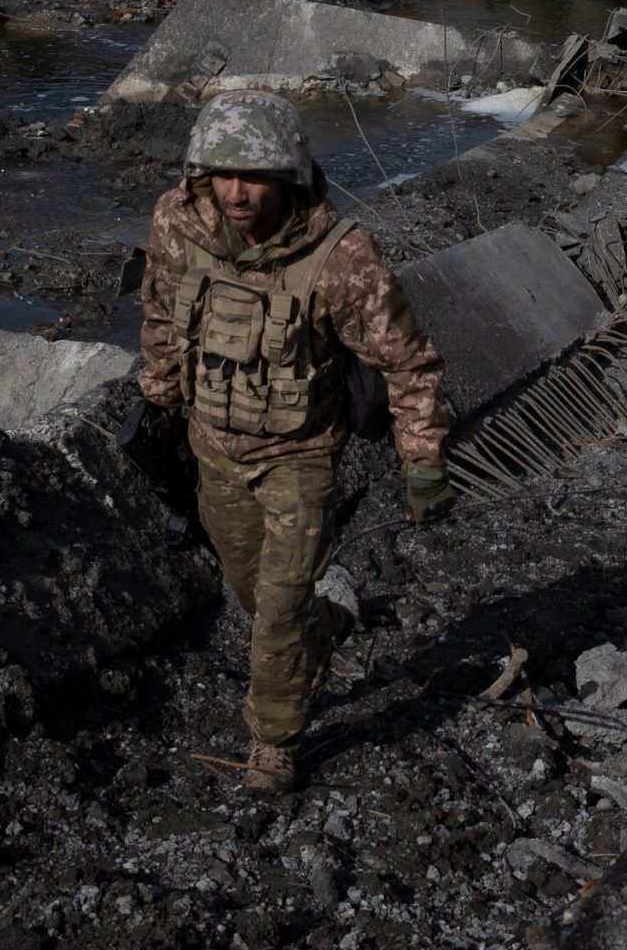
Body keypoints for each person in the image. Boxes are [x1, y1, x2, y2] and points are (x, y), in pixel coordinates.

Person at [138, 91, 453, 797]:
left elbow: (408, 360)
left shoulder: (341, 258)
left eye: (253, 174)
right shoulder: (176, 224)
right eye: (222, 173)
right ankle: (333, 618)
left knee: (278, 609)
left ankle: (273, 742)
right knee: (254, 595)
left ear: (288, 174)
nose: (237, 191)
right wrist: (158, 395)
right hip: (214, 448)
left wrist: (423, 459)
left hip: (301, 458)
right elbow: (160, 306)